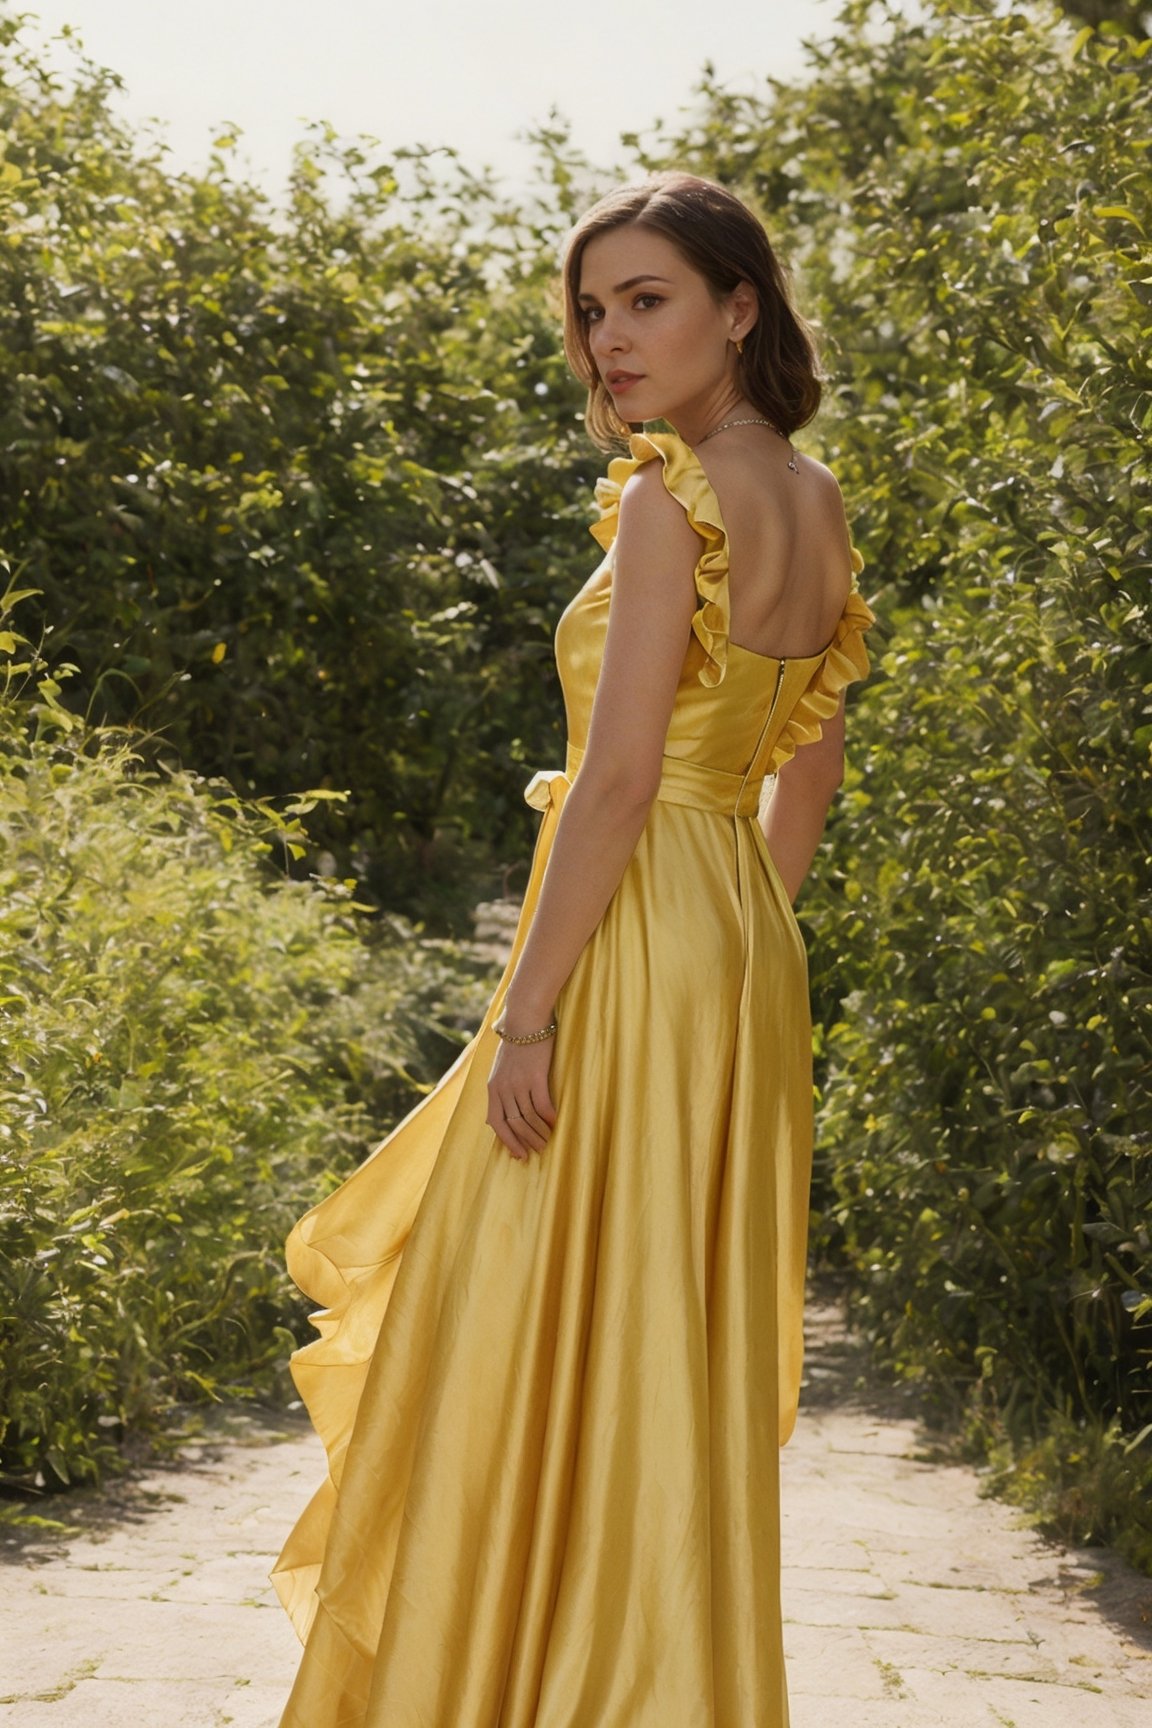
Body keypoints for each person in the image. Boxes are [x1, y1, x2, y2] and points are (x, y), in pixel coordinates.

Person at [270, 170, 875, 1728]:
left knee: (516, 1311)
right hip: (734, 940)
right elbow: (801, 766)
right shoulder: (809, 497)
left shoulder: (672, 496)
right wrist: (734, 944)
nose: (609, 338)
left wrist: (527, 1014)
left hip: (626, 930)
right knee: (654, 1337)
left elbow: (615, 780)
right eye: (593, 310)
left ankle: (505, 1683)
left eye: (647, 300)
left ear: (741, 306)